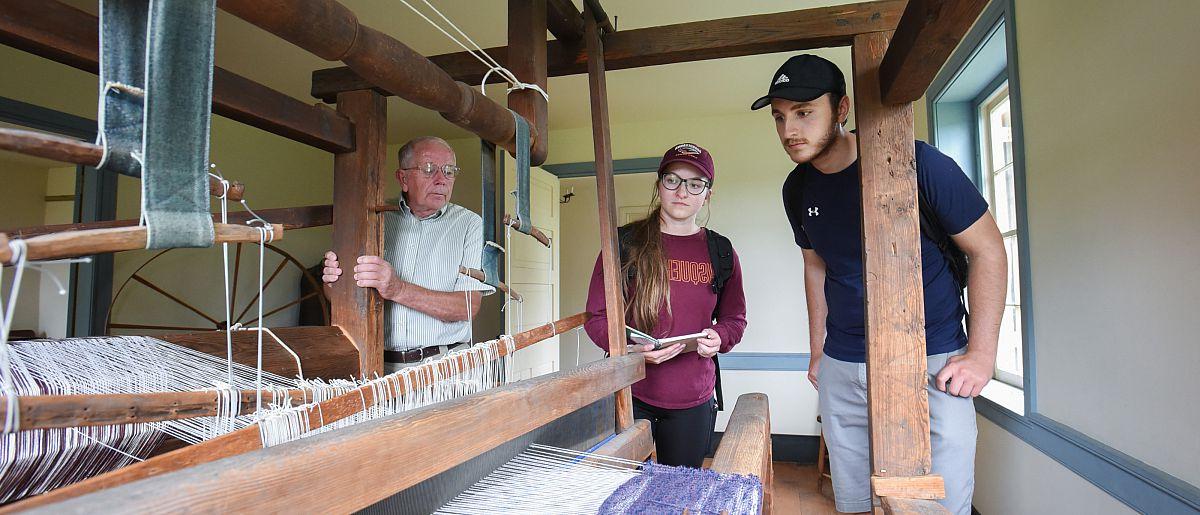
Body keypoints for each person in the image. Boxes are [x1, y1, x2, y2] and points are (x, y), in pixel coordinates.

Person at [751, 54, 1007, 514]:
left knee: (936, 507)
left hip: (935, 361)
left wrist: (982, 355)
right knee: (856, 503)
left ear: (842, 108)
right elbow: (816, 267)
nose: (790, 129)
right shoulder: (797, 189)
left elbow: (988, 250)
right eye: (780, 117)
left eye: (805, 112)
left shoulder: (919, 163)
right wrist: (817, 352)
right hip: (844, 365)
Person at [583, 143, 748, 468]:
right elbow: (596, 317)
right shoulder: (623, 246)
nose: (682, 192)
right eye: (673, 180)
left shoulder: (721, 251)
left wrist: (719, 337)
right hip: (629, 393)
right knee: (622, 491)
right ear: (659, 185)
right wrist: (631, 346)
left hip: (693, 399)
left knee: (679, 494)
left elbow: (734, 318)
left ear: (707, 195)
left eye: (694, 184)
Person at [322, 136, 493, 373]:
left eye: (449, 171)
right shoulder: (373, 218)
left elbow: (466, 308)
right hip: (376, 366)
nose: (441, 180)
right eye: (429, 169)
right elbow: (338, 296)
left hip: (445, 369)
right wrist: (333, 282)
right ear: (403, 178)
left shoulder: (470, 224)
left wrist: (397, 289)